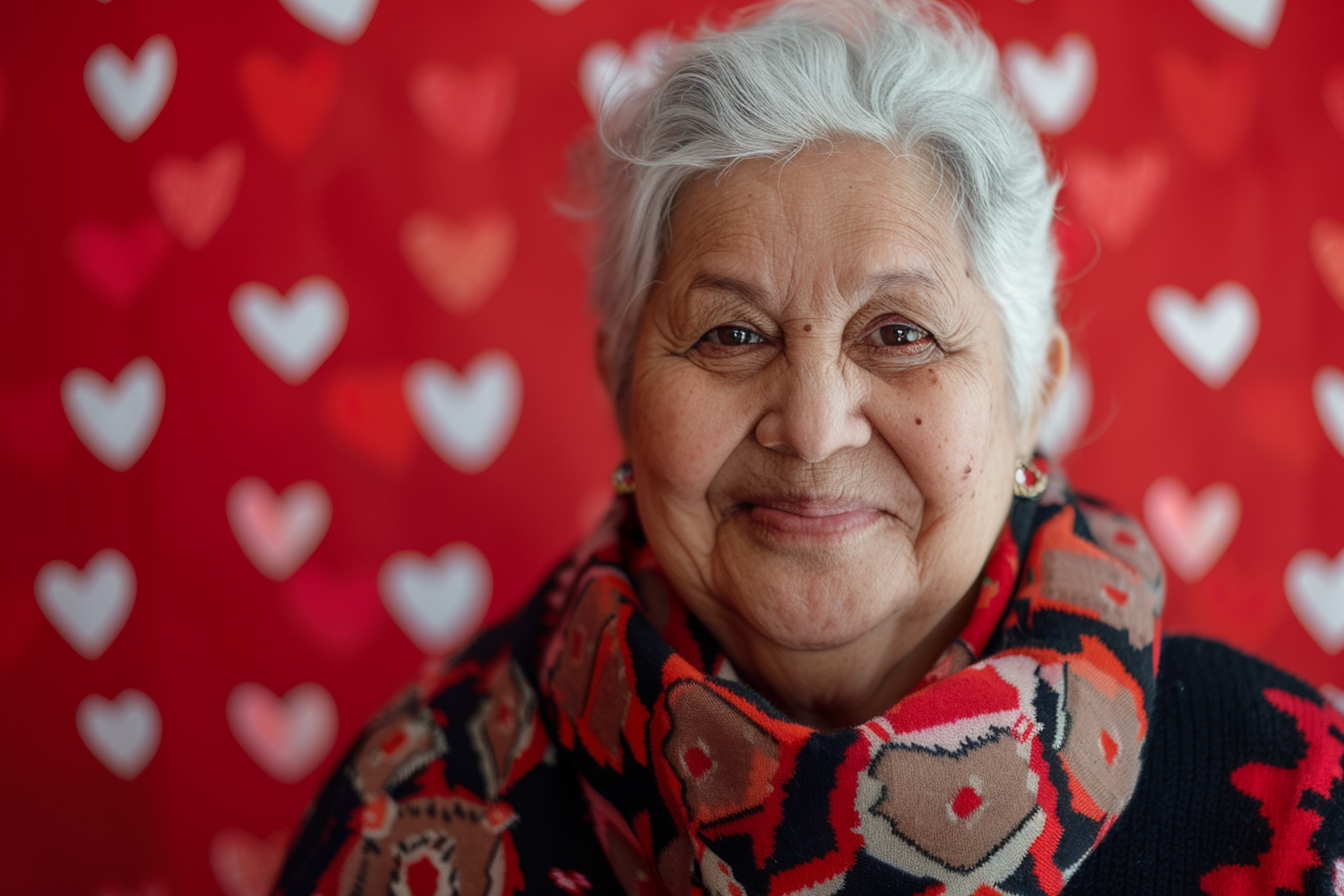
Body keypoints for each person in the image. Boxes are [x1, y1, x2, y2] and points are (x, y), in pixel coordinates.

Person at [273, 0, 1344, 892]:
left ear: (1031, 398)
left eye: (900, 334)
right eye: (731, 334)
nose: (815, 425)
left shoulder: (1293, 796)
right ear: (620, 383)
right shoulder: (412, 814)